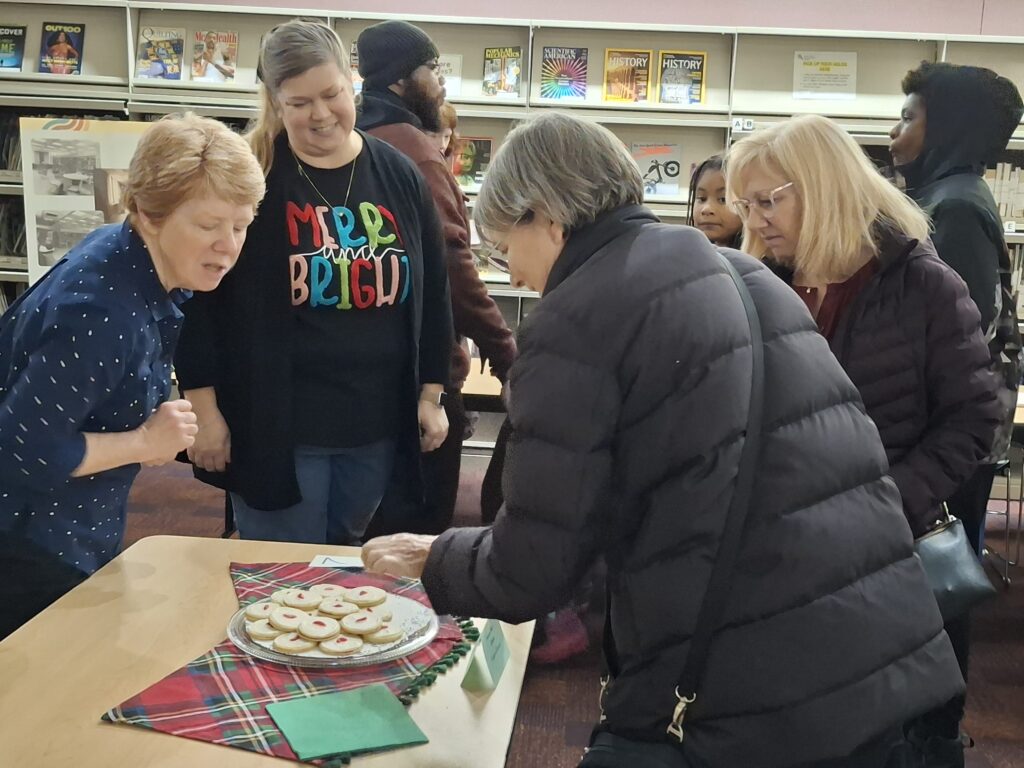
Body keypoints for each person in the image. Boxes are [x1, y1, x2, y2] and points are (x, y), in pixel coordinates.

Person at [362, 112, 965, 767]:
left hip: (741, 683)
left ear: (548, 218)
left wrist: (435, 558)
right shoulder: (745, 275)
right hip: (867, 646)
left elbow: (532, 568)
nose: (514, 273)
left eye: (507, 247)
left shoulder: (577, 319)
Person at [728, 113, 1002, 767]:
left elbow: (972, 418)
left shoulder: (924, 285)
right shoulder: (762, 285)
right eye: (747, 204)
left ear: (823, 188)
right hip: (782, 551)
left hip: (886, 555)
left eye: (770, 200)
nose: (757, 219)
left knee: (884, 731)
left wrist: (888, 503)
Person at [174, 20, 453, 546]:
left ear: (352, 83)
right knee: (280, 567)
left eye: (332, 94)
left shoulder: (399, 173)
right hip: (277, 425)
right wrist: (204, 412)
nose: (321, 114)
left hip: (373, 425)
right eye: (300, 103)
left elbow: (433, 291)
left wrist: (431, 394)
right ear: (275, 102)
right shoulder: (250, 175)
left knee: (345, 555)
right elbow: (198, 301)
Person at [0, 113, 264, 639]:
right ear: (148, 213)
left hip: (65, 529)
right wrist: (145, 442)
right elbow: (20, 453)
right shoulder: (102, 314)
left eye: (241, 225)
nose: (228, 246)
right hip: (30, 542)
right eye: (208, 226)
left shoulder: (130, 258)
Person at [889, 60, 1024, 763]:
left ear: (947, 127)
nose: (894, 131)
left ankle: (935, 735)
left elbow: (948, 345)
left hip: (944, 444)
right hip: (943, 440)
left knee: (939, 577)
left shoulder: (956, 208)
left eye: (909, 117)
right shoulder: (944, 195)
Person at [355, 20, 515, 536]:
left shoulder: (353, 138)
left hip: (364, 367)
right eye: (434, 68)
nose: (441, 81)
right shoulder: (414, 149)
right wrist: (503, 347)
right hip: (422, 372)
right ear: (403, 79)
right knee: (419, 530)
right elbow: (452, 263)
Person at [686, 154, 742, 249]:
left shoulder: (759, 261)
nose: (706, 209)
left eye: (723, 199)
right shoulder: (688, 253)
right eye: (701, 198)